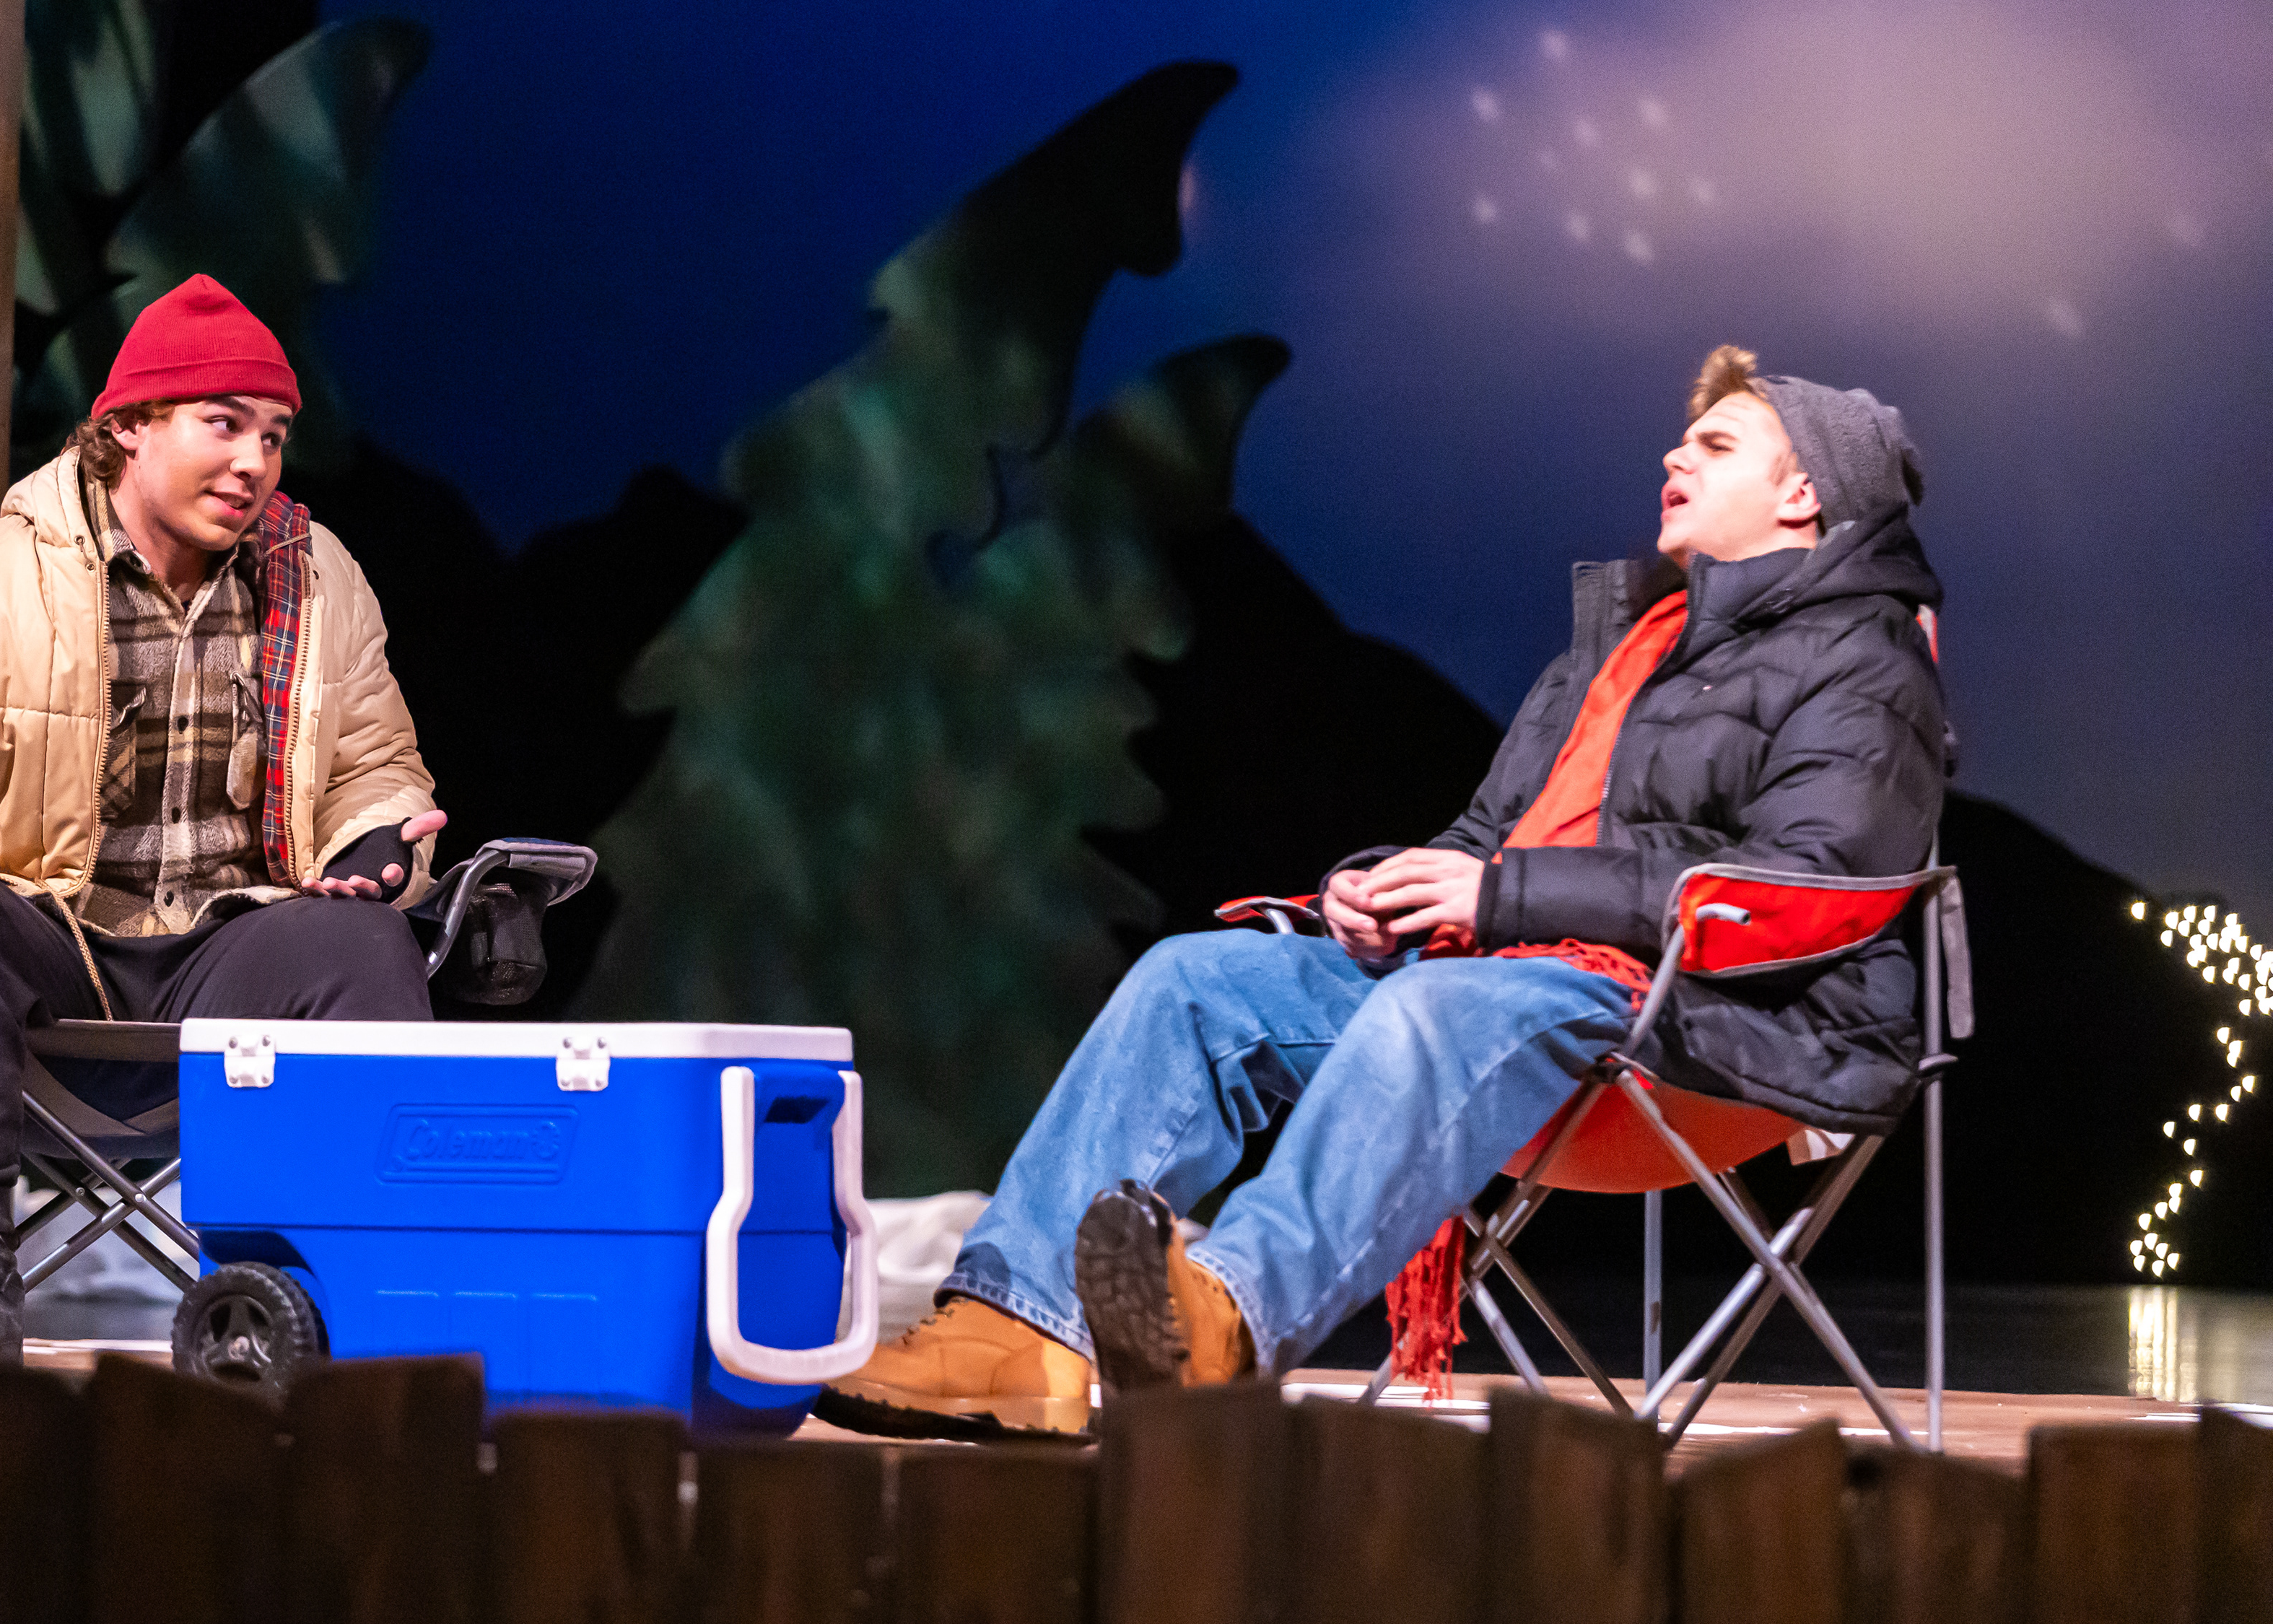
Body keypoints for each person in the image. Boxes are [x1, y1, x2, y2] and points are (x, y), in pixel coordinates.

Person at [821, 344, 1947, 1438]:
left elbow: (1808, 889)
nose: (1674, 455)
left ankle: (1219, 1322)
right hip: (1516, 996)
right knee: (1195, 983)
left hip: (1718, 1030)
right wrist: (1377, 894)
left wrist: (1500, 898)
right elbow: (1486, 842)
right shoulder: (1622, 648)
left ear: (1803, 492)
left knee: (1439, 1004)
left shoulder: (1867, 657)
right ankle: (1016, 1336)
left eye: (1717, 443)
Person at [0, 275, 445, 1361]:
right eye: (224, 425)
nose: (254, 463)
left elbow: (379, 772)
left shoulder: (318, 582)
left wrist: (378, 844)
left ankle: (322, 1290)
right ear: (128, 429)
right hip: (43, 938)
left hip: (227, 951)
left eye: (274, 436)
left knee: (366, 944)